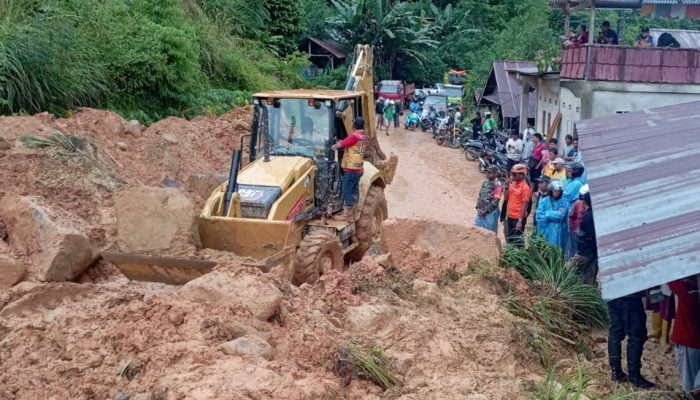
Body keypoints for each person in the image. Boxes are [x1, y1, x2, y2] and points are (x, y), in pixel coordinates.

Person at [607, 290, 656, 388]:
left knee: (616, 331)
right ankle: (634, 376)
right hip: (629, 293)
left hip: (610, 289)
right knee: (636, 335)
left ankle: (616, 372)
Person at [668, 276, 700, 395]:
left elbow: (668, 277)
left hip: (687, 341)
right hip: (691, 341)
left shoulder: (688, 288)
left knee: (691, 388)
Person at [332, 117, 367, 219]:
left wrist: (334, 146)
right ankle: (355, 210)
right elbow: (352, 144)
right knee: (354, 190)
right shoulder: (364, 136)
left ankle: (347, 214)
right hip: (359, 168)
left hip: (351, 168)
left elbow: (340, 145)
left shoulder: (354, 136)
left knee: (346, 190)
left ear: (354, 125)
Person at [567, 184, 598, 284]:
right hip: (593, 252)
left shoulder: (587, 217)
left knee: (567, 270)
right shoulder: (593, 214)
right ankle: (588, 293)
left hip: (585, 252)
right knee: (589, 274)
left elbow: (587, 235)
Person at [502, 163, 532, 246]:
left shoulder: (525, 188)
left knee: (517, 241)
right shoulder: (513, 183)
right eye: (511, 173)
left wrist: (520, 221)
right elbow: (506, 198)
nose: (512, 176)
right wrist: (507, 187)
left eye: (514, 174)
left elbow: (525, 205)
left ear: (522, 175)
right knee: (509, 239)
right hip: (509, 216)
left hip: (517, 218)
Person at [535, 180, 569, 249]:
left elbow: (561, 215)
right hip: (545, 231)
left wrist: (547, 213)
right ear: (551, 190)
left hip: (560, 232)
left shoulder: (565, 202)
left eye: (559, 191)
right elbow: (539, 216)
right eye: (555, 191)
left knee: (559, 251)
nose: (557, 193)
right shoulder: (543, 201)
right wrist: (553, 215)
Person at [474, 165, 503, 233]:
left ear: (495, 174)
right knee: (477, 231)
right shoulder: (485, 182)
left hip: (491, 213)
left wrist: (486, 211)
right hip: (481, 211)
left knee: (490, 233)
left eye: (490, 172)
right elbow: (480, 195)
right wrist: (478, 206)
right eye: (487, 172)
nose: (487, 174)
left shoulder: (498, 185)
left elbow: (496, 200)